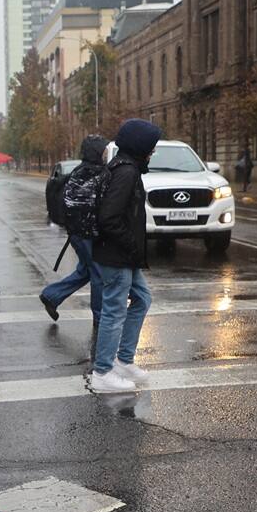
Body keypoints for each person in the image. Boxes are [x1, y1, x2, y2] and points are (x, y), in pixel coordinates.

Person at [90, 119, 160, 394]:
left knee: (142, 299)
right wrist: (131, 245)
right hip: (117, 256)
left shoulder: (126, 168)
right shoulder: (126, 172)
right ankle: (103, 372)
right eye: (150, 147)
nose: (152, 153)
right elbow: (109, 217)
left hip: (123, 255)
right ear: (139, 146)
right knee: (114, 311)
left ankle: (124, 360)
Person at [39, 135, 107, 325]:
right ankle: (100, 317)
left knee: (86, 271)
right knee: (98, 274)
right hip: (84, 233)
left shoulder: (82, 171)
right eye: (103, 150)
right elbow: (87, 205)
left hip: (79, 233)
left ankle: (51, 296)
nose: (106, 153)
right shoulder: (89, 173)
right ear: (96, 152)